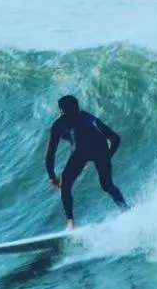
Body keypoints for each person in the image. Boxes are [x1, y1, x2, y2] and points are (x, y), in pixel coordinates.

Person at [44, 94, 127, 230]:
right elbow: (115, 138)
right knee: (106, 185)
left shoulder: (60, 124)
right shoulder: (87, 117)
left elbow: (50, 154)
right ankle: (125, 209)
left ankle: (70, 223)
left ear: (61, 111)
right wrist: (108, 156)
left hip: (83, 151)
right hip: (96, 150)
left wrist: (52, 176)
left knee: (67, 185)